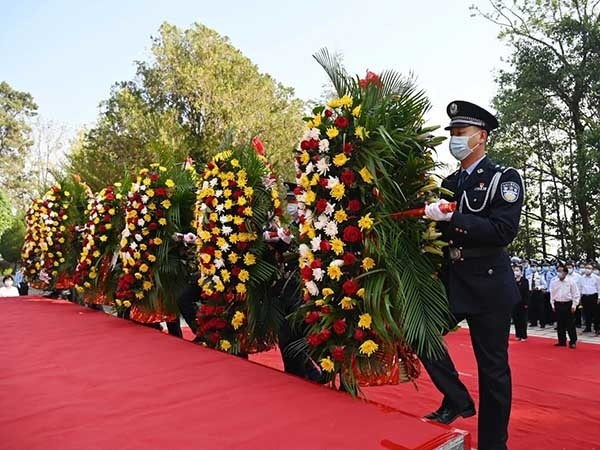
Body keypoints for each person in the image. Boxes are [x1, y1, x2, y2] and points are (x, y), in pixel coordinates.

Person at [421, 100, 524, 450]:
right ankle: (457, 398)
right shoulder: (450, 182)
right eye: (451, 133)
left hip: (490, 281)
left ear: (481, 137)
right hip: (452, 278)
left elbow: (502, 231)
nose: (454, 139)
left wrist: (454, 220)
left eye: (460, 133)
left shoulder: (502, 179)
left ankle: (494, 444)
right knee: (420, 333)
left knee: (492, 370)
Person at [549, 264, 579, 348]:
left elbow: (575, 294)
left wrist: (574, 305)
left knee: (570, 324)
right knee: (560, 324)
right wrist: (552, 304)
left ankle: (572, 341)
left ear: (565, 273)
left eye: (561, 271)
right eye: (558, 271)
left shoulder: (571, 282)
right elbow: (552, 294)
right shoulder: (554, 282)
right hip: (558, 304)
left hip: (568, 304)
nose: (559, 273)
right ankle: (561, 341)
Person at [578, 262, 600, 334]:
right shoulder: (581, 278)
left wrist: (599, 298)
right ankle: (588, 327)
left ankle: (597, 328)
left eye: (589, 268)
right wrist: (580, 298)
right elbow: (580, 288)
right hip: (585, 297)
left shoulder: (596, 278)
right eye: (586, 268)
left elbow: (599, 288)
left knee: (596, 313)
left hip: (594, 296)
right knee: (586, 313)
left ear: (592, 269)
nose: (587, 270)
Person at [512, 266, 530, 341]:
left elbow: (526, 293)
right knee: (516, 319)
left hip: (522, 303)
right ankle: (518, 334)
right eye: (515, 270)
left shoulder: (525, 280)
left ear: (521, 271)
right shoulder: (513, 280)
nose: (516, 272)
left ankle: (523, 335)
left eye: (517, 270)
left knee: (522, 319)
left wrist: (526, 303)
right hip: (514, 303)